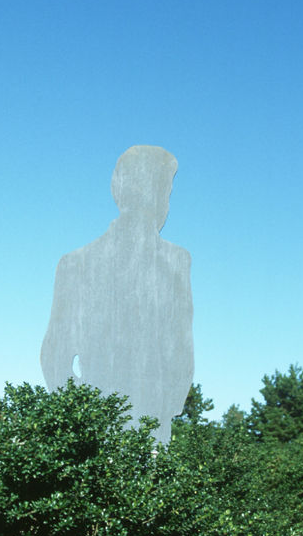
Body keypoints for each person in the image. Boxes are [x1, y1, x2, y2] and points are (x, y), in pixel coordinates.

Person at [40, 145, 194, 445]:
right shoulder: (76, 264)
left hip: (149, 425)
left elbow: (181, 349)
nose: (165, 201)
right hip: (104, 424)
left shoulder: (177, 261)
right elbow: (54, 354)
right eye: (165, 189)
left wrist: (166, 408)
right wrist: (83, 410)